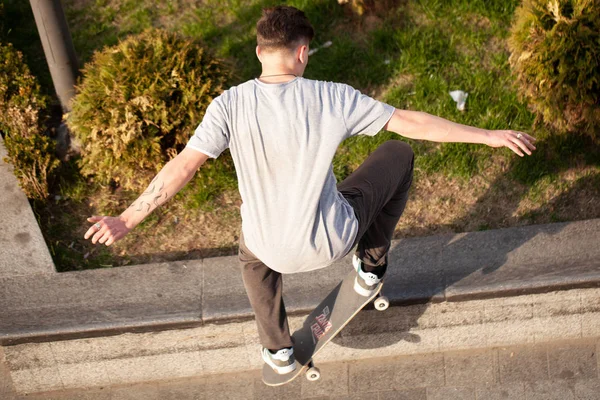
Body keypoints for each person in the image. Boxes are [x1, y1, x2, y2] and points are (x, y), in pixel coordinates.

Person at [84, 6, 536, 375]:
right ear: (302, 53)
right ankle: (370, 266)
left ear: (260, 51)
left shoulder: (228, 105)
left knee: (250, 250)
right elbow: (411, 122)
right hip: (332, 241)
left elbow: (183, 166)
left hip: (269, 250)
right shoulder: (331, 96)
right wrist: (486, 134)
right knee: (396, 154)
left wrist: (126, 219)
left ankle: (278, 350)